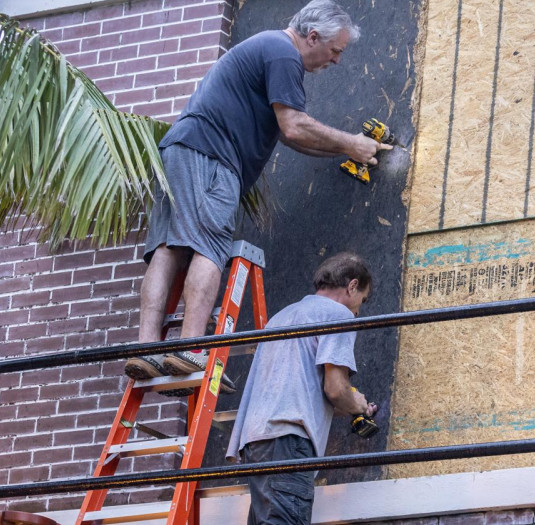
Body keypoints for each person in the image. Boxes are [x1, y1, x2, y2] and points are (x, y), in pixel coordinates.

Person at [125, 1, 391, 379]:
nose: (335, 62)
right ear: (312, 37)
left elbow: (292, 138)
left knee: (169, 248)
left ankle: (146, 349)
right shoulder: (284, 53)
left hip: (182, 151)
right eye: (335, 51)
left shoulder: (266, 48)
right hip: (213, 158)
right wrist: (352, 143)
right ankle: (187, 349)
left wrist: (347, 148)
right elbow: (295, 126)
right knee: (207, 248)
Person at [225, 252, 378, 524]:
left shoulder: (284, 316)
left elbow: (305, 389)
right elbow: (335, 390)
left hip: (257, 439)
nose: (358, 311)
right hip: (289, 440)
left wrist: (347, 401)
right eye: (361, 301)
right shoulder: (339, 314)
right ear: (352, 286)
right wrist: (359, 405)